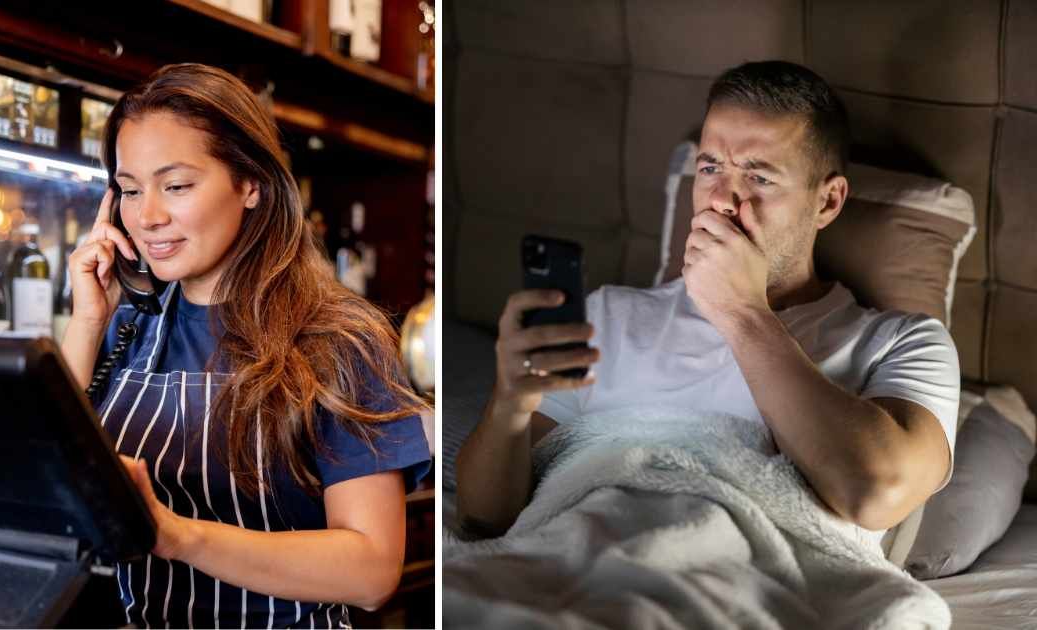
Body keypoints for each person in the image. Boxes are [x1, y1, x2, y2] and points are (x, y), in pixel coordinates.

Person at [456, 60, 959, 539]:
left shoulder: (903, 343)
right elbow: (488, 518)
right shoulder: (607, 316)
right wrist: (508, 405)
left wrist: (741, 311)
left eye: (759, 178)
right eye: (711, 167)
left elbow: (874, 493)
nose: (722, 199)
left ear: (827, 201)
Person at [60, 63, 431, 629]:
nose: (147, 216)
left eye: (176, 185)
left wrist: (177, 535)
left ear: (250, 183)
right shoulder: (128, 326)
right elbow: (48, 489)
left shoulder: (338, 339)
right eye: (130, 190)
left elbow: (372, 572)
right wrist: (85, 324)